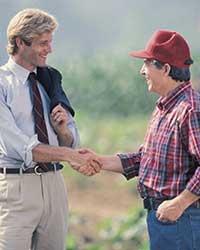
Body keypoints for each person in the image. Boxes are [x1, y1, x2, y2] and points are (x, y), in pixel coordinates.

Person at [75, 30, 200, 250]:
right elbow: (144, 160)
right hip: (165, 218)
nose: (142, 71)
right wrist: (99, 161)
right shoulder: (164, 107)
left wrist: (179, 204)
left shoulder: (190, 109)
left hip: (182, 219)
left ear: (166, 69)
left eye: (147, 64)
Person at [0, 8, 100, 250]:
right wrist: (69, 156)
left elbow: (70, 141)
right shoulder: (3, 84)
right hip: (17, 189)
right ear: (19, 42)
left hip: (55, 185)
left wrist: (63, 131)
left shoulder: (51, 80)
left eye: (50, 42)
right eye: (43, 43)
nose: (50, 49)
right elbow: (20, 147)